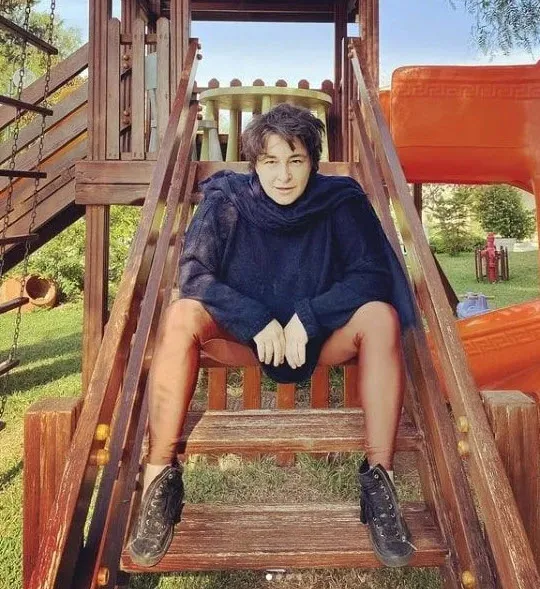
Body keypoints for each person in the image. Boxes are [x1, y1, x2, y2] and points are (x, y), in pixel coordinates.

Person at [127, 103, 416, 568]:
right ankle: (160, 480)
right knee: (181, 315)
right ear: (254, 164)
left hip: (319, 338)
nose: (283, 176)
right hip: (242, 339)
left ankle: (380, 482)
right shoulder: (225, 199)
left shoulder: (341, 200)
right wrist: (256, 318)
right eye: (271, 161)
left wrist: (308, 316)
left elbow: (372, 275)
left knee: (381, 316)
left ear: (313, 162)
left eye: (295, 160)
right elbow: (195, 274)